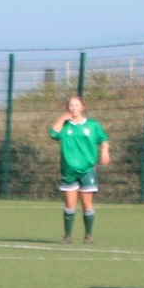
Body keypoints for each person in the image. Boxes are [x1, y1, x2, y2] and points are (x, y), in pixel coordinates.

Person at [49, 96, 110, 242]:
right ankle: (67, 235)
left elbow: (104, 139)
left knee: (86, 204)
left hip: (87, 169)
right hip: (69, 170)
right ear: (67, 108)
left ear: (83, 107)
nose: (73, 108)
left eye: (76, 105)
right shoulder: (65, 126)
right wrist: (63, 118)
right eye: (71, 106)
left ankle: (88, 235)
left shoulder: (92, 125)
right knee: (70, 204)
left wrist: (105, 151)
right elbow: (53, 134)